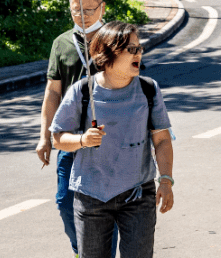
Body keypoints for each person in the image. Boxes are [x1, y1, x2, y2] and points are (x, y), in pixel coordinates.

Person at [50, 21, 174, 258]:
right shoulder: (82, 92)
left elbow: (162, 141)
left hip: (138, 194)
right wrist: (83, 140)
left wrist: (166, 181)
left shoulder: (149, 89)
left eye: (140, 48)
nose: (139, 53)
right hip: (91, 197)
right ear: (109, 53)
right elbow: (57, 138)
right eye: (131, 49)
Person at [36, 0, 118, 258]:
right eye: (75, 11)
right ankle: (81, 250)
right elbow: (52, 92)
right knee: (64, 202)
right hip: (69, 138)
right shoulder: (61, 43)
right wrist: (44, 137)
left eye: (88, 10)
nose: (81, 16)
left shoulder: (115, 40)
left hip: (107, 141)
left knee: (105, 205)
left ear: (102, 7)